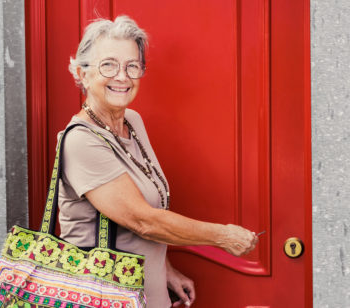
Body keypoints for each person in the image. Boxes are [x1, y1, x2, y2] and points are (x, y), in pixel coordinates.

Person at [60, 15, 258, 308]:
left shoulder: (132, 122)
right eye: (108, 65)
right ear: (83, 73)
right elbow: (143, 221)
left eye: (132, 66)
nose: (122, 76)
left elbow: (138, 216)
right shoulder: (81, 141)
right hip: (104, 299)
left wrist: (165, 271)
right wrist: (223, 236)